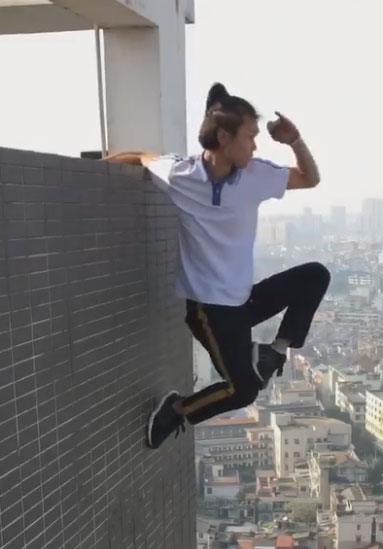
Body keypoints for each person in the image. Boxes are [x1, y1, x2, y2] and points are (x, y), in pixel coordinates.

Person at [105, 83, 327, 449]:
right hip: (211, 312)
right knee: (243, 392)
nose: (255, 146)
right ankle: (177, 409)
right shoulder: (182, 175)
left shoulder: (255, 175)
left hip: (244, 302)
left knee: (315, 275)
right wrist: (95, 172)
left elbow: (310, 179)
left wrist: (295, 140)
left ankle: (274, 351)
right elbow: (142, 157)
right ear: (224, 137)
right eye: (250, 137)